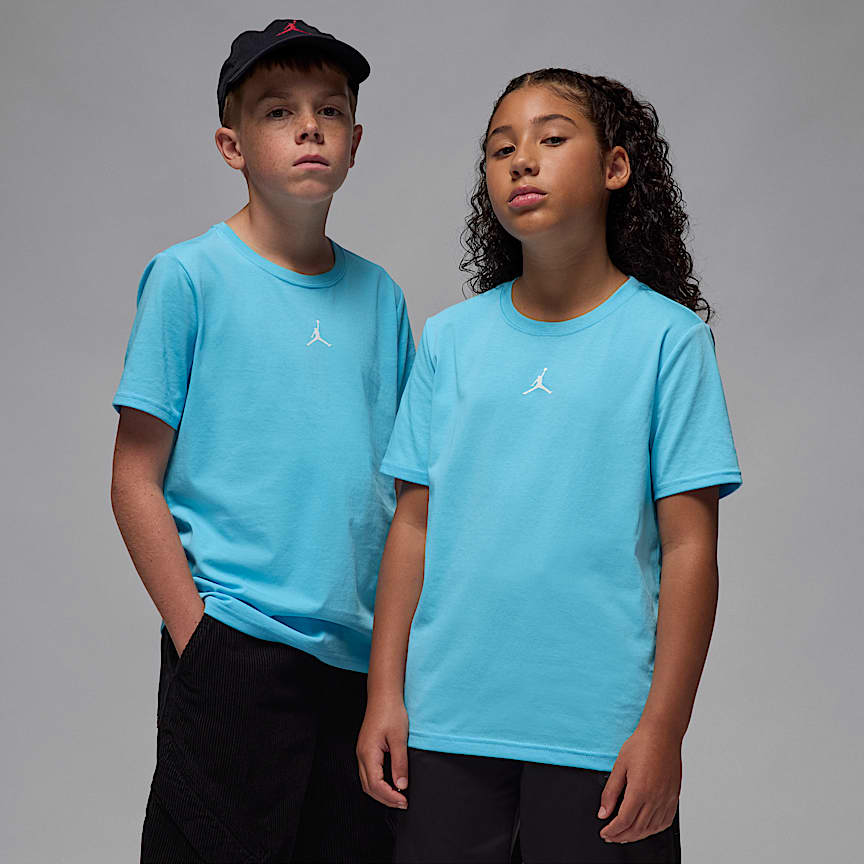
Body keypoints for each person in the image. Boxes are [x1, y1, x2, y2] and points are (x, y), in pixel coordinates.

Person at [357, 68, 743, 863]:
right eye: (501, 149)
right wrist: (383, 695)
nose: (522, 161)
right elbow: (412, 528)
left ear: (615, 167)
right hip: (445, 723)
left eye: (552, 138)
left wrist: (664, 730)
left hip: (600, 732)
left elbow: (690, 549)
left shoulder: (669, 342)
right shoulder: (451, 340)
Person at [110, 18, 414, 863]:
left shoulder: (382, 299)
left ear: (355, 143)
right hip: (235, 646)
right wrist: (199, 639)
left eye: (330, 110)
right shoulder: (189, 277)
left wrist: (393, 670)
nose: (309, 127)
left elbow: (405, 498)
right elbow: (133, 477)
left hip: (359, 669)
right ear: (232, 145)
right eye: (279, 111)